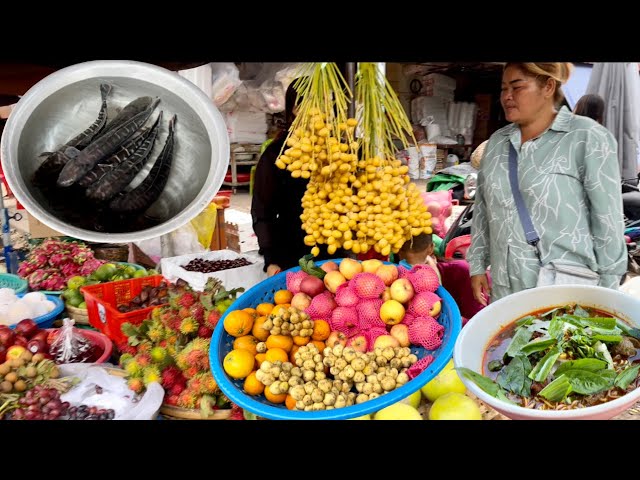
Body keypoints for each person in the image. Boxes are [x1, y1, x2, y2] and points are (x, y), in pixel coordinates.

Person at [468, 63, 627, 305]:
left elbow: (608, 222)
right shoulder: (498, 144)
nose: (507, 96)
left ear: (548, 86)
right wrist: (477, 265)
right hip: (505, 288)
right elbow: (482, 209)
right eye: (503, 89)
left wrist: (606, 294)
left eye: (517, 86)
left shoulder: (586, 137)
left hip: (564, 291)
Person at [252, 81, 343, 275]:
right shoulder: (278, 154)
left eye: (324, 105)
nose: (318, 112)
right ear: (294, 109)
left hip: (337, 253)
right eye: (310, 105)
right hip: (291, 255)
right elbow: (262, 210)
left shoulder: (340, 151)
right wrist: (270, 259)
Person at [397, 233, 487, 323]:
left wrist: (452, 318)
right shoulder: (397, 280)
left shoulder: (462, 272)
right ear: (431, 248)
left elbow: (481, 321)